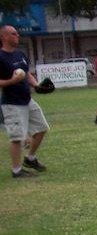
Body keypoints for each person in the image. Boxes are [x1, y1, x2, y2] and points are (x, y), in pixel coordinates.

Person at [0, 24, 49, 178]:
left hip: (27, 100)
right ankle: (16, 170)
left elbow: (28, 75)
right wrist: (12, 81)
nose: (17, 36)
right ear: (4, 37)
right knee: (17, 138)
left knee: (41, 128)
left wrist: (37, 86)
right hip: (12, 102)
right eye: (14, 33)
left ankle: (30, 159)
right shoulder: (1, 57)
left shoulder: (20, 54)